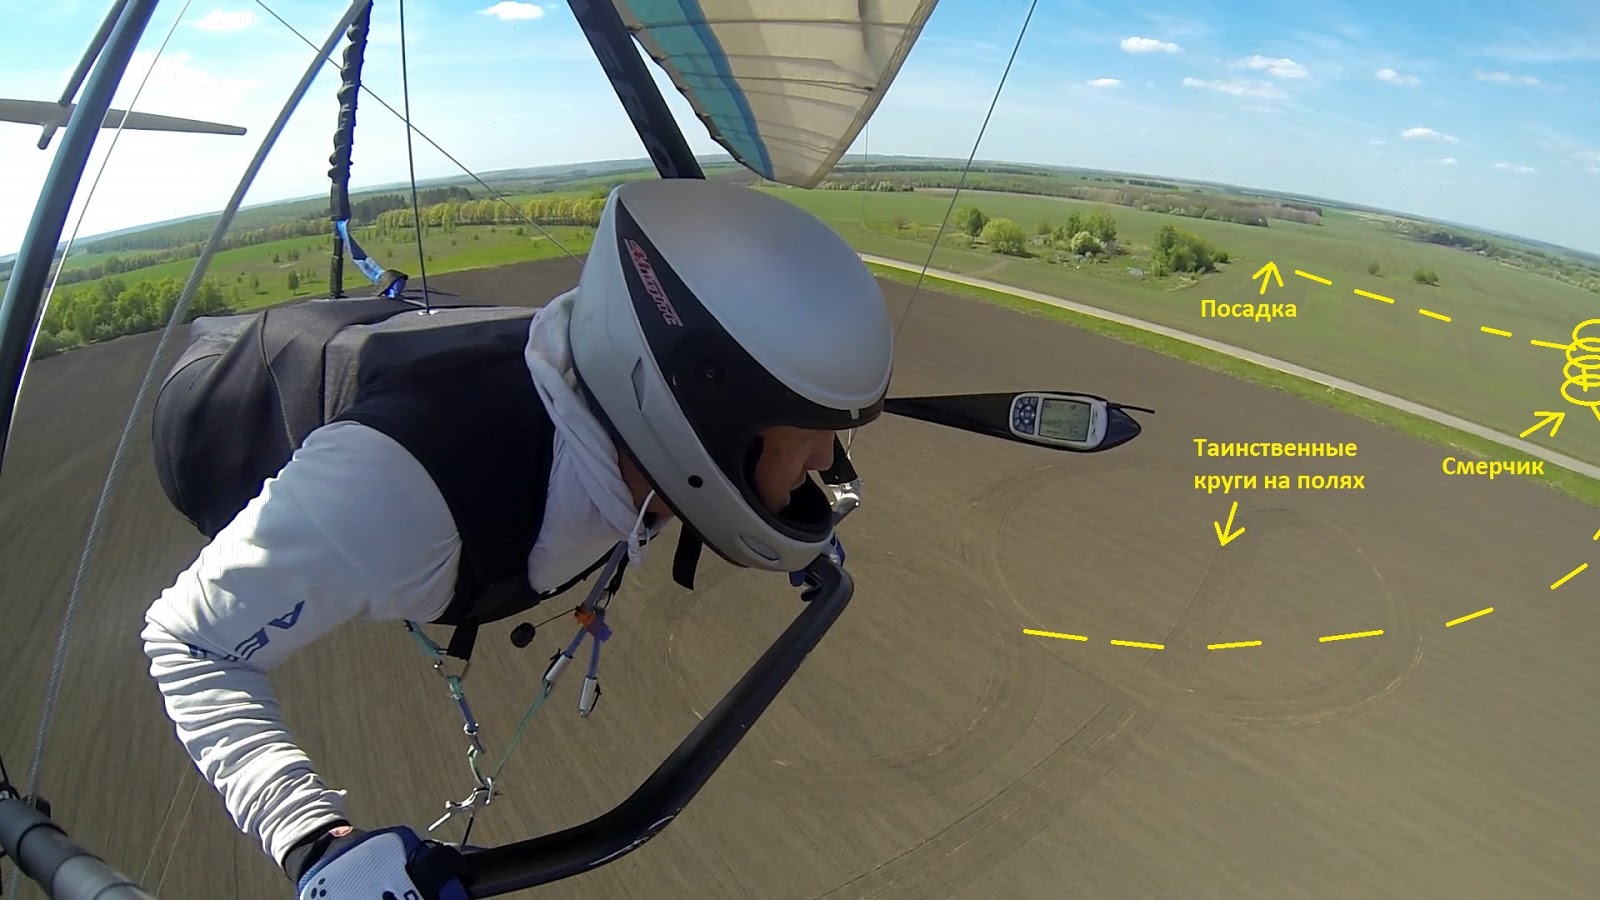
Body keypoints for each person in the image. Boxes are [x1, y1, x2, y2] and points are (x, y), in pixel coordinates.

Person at [138, 178, 896, 899]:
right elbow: (186, 643)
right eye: (809, 433)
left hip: (401, 351)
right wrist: (313, 841)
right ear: (699, 423)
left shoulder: (631, 393)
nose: (824, 462)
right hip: (224, 406)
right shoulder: (399, 495)